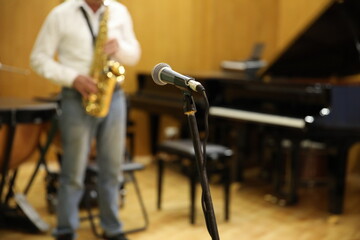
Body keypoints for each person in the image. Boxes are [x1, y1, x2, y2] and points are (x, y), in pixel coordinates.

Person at [30, 0, 141, 239]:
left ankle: (112, 228)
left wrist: (119, 48)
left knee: (112, 169)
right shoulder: (61, 14)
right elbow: (38, 58)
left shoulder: (119, 11)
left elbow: (134, 55)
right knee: (73, 170)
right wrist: (73, 77)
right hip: (75, 96)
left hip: (114, 96)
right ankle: (65, 230)